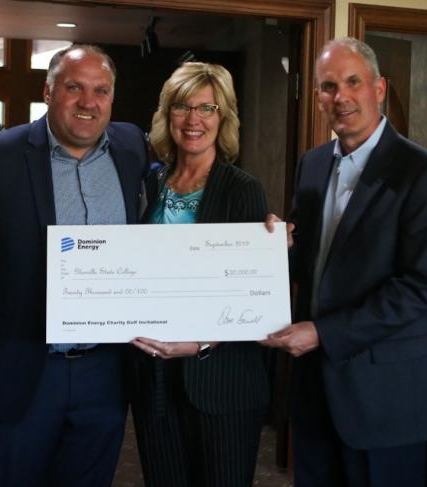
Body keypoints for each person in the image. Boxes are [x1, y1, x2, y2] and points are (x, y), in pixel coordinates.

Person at [0, 44, 148, 486]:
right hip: (18, 373)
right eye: (74, 87)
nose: (88, 102)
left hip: (106, 374)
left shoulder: (132, 148)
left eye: (101, 90)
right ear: (48, 91)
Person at [263, 37, 427, 487]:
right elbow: (310, 267)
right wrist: (277, 249)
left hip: (384, 402)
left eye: (353, 82)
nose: (341, 97)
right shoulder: (311, 166)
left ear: (380, 88)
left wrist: (324, 333)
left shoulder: (424, 172)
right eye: (328, 87)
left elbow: (417, 288)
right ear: (316, 98)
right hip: (314, 396)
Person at [127, 62, 270, 487]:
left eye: (207, 108)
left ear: (222, 116)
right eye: (183, 107)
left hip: (221, 380)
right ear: (166, 115)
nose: (194, 120)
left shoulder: (242, 188)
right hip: (154, 379)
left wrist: (201, 343)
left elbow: (253, 295)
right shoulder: (148, 185)